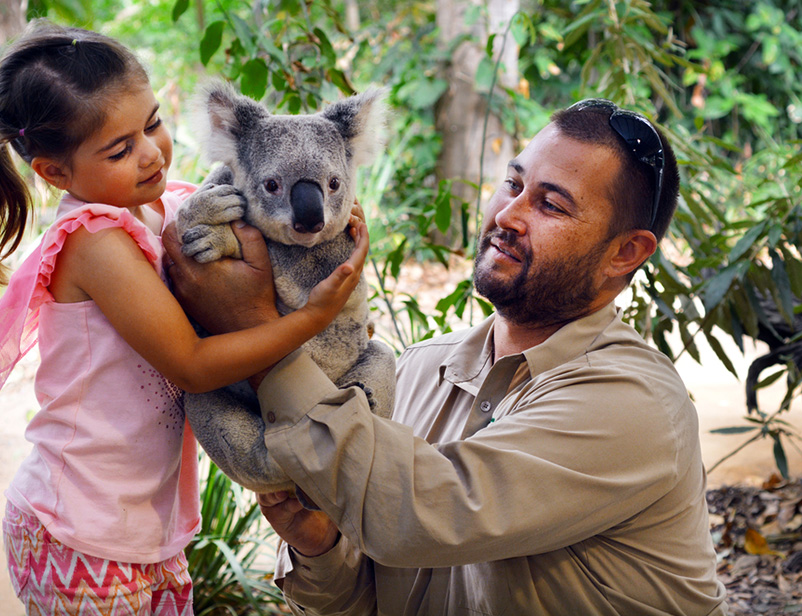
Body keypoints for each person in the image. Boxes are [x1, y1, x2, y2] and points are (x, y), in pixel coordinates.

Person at [163, 97, 730, 615]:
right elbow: (371, 597)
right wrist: (324, 545)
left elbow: (417, 517)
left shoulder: (632, 405)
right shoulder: (416, 368)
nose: (508, 215)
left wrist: (252, 328)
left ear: (624, 253)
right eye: (513, 184)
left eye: (551, 205)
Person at [0, 20, 367, 616]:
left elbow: (259, 209)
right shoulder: (93, 239)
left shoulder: (164, 203)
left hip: (148, 528)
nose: (150, 153)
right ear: (54, 173)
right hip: (80, 529)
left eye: (152, 124)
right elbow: (192, 366)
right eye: (119, 149)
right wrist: (315, 315)